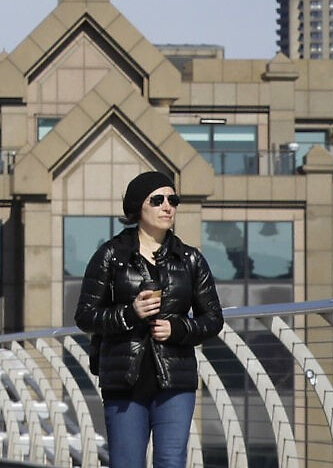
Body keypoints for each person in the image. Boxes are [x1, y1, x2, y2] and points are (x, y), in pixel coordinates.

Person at [75, 171, 225, 468]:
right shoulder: (110, 256)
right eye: (157, 200)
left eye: (173, 200)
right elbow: (85, 316)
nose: (167, 207)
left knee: (171, 461)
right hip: (124, 379)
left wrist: (179, 328)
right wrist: (130, 314)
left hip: (175, 379)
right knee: (127, 462)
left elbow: (213, 318)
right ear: (136, 208)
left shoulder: (190, 259)